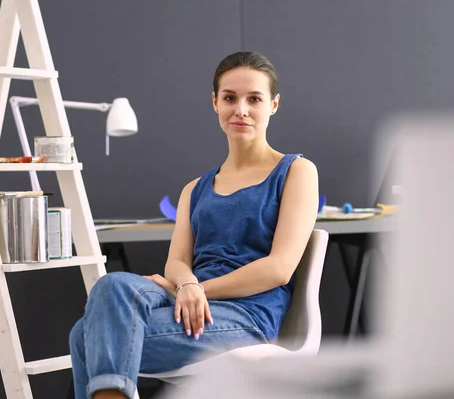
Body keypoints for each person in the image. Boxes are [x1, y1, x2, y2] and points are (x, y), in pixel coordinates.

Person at [69, 51, 319, 399]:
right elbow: (177, 261)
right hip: (186, 298)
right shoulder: (195, 189)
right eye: (230, 98)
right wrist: (185, 283)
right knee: (111, 286)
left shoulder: (295, 172)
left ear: (273, 105)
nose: (241, 110)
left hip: (244, 317)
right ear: (215, 102)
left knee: (85, 337)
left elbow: (279, 269)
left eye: (254, 99)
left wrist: (194, 289)